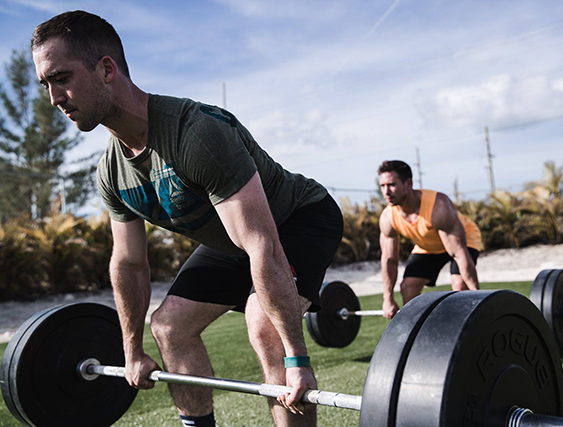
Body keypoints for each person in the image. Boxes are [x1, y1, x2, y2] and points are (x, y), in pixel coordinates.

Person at [31, 11, 343, 427]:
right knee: (169, 326)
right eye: (45, 84)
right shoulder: (112, 173)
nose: (54, 97)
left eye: (61, 78)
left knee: (265, 325)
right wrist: (132, 350)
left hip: (298, 217)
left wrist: (296, 359)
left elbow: (260, 243)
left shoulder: (196, 133)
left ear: (106, 69)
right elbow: (129, 263)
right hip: (231, 240)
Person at [377, 160, 481, 319]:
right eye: (382, 186)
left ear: (408, 183)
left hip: (463, 240)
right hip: (427, 245)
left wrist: (479, 298)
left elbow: (459, 253)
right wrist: (388, 299)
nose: (386, 192)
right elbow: (389, 260)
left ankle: (467, 326)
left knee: (460, 285)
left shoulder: (438, 206)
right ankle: (418, 329)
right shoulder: (387, 218)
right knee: (408, 288)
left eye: (391, 185)